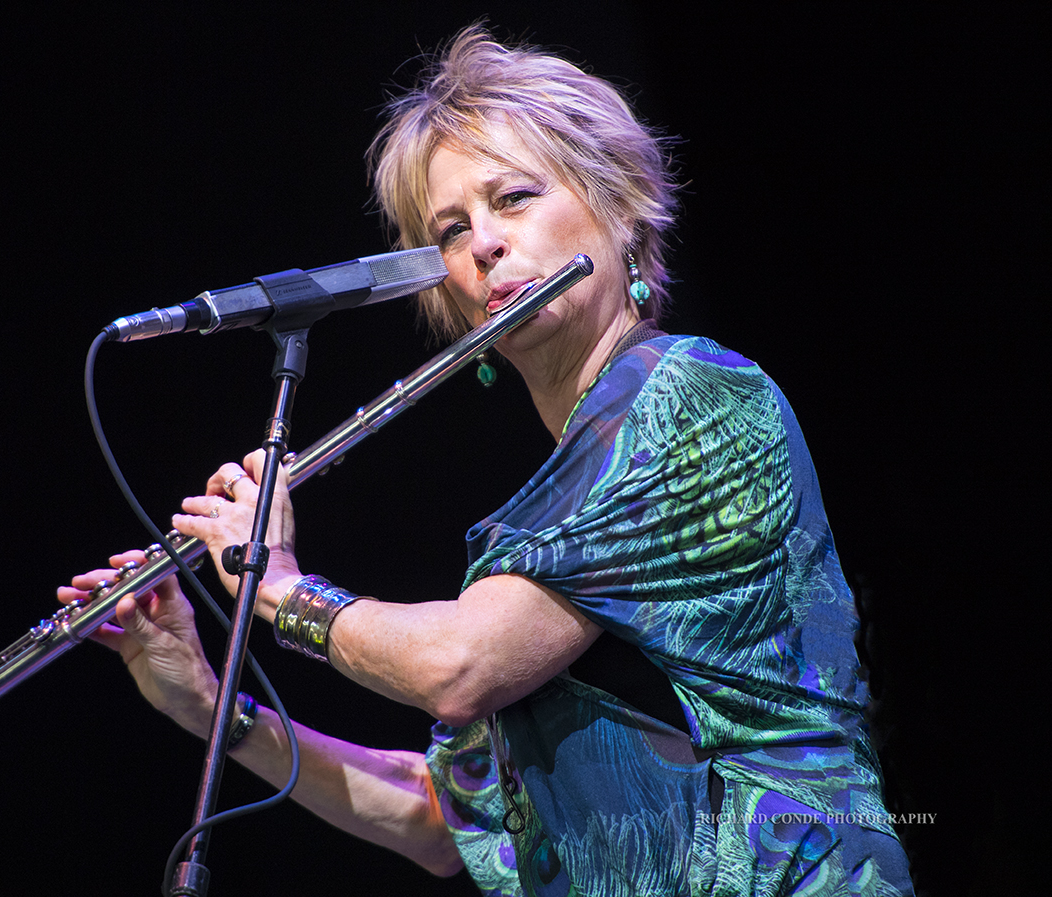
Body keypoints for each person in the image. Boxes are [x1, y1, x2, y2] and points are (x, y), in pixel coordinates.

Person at [59, 27, 914, 896]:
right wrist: (207, 704)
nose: (484, 245)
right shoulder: (566, 490)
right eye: (453, 229)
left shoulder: (696, 399)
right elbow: (443, 817)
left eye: (513, 198)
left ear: (621, 206)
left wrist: (276, 587)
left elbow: (457, 668)